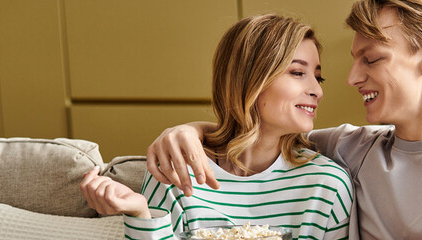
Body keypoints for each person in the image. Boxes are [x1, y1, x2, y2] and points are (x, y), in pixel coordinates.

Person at [146, 0, 422, 239]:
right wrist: (190, 132)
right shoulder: (355, 149)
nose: (350, 79)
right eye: (352, 61)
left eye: (373, 59)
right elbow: (260, 132)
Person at [80, 14, 353, 240]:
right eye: (297, 73)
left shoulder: (327, 186)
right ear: (250, 79)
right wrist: (140, 214)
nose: (317, 90)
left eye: (319, 77)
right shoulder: (176, 170)